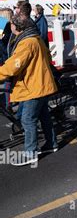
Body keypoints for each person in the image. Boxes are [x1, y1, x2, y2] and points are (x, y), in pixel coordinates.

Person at [0, 16, 58, 166]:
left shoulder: (26, 43)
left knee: (28, 119)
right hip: (42, 83)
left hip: (33, 86)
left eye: (11, 25)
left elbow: (14, 66)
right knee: (44, 116)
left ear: (17, 27)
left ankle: (31, 153)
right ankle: (52, 144)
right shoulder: (35, 38)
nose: (10, 28)